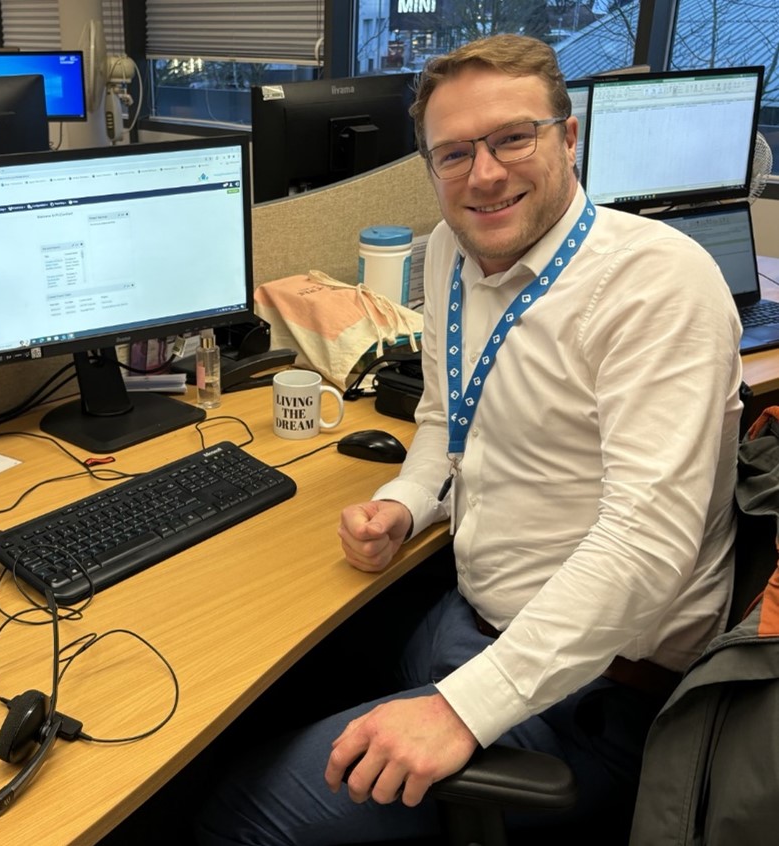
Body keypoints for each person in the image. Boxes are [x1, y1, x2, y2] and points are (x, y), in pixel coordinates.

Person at [196, 33, 743, 844]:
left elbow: (647, 543)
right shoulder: (451, 247)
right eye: (453, 154)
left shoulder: (657, 285)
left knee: (235, 814)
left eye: (511, 138)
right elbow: (445, 418)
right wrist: (406, 503)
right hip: (471, 616)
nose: (483, 174)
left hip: (597, 688)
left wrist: (462, 708)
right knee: (236, 693)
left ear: (567, 137)